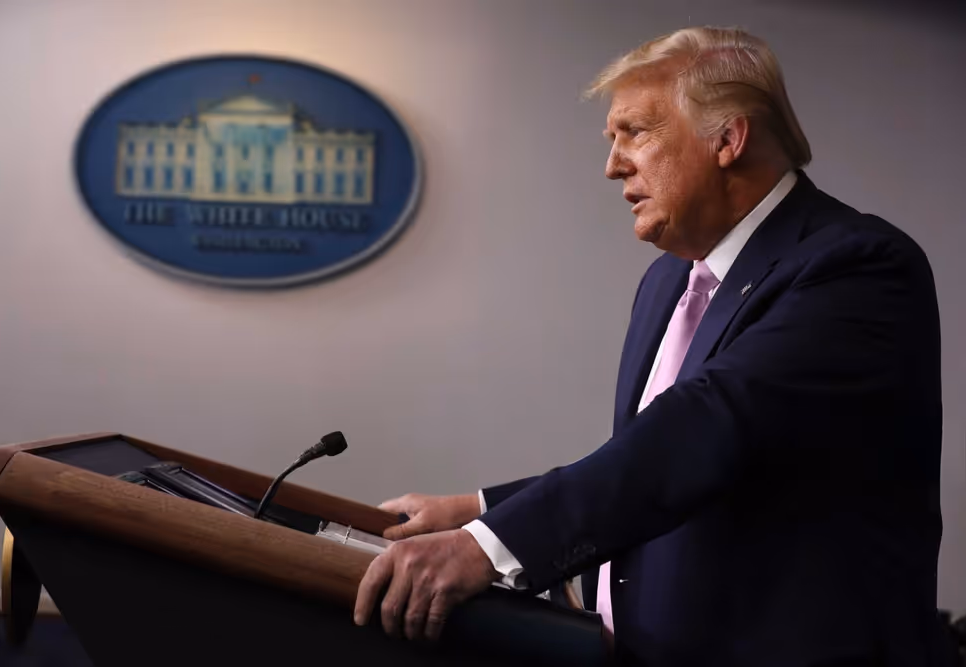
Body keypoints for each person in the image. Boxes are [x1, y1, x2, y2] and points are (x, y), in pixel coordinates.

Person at [354, 26, 949, 667]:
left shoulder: (856, 265)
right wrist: (478, 508)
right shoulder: (671, 276)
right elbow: (660, 455)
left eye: (634, 132)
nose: (613, 164)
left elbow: (707, 429)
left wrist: (488, 546)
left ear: (728, 138)